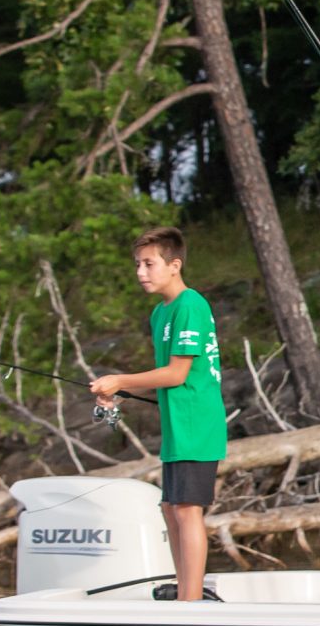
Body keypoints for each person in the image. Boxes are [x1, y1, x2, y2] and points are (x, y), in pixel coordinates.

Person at [91, 227, 227, 602]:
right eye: (138, 264)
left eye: (149, 264)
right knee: (170, 508)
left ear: (174, 265)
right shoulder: (160, 313)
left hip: (197, 424)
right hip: (177, 427)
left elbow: (176, 374)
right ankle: (186, 590)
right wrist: (117, 391)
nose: (140, 272)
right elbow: (160, 378)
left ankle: (191, 601)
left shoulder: (190, 305)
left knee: (186, 510)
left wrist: (119, 378)